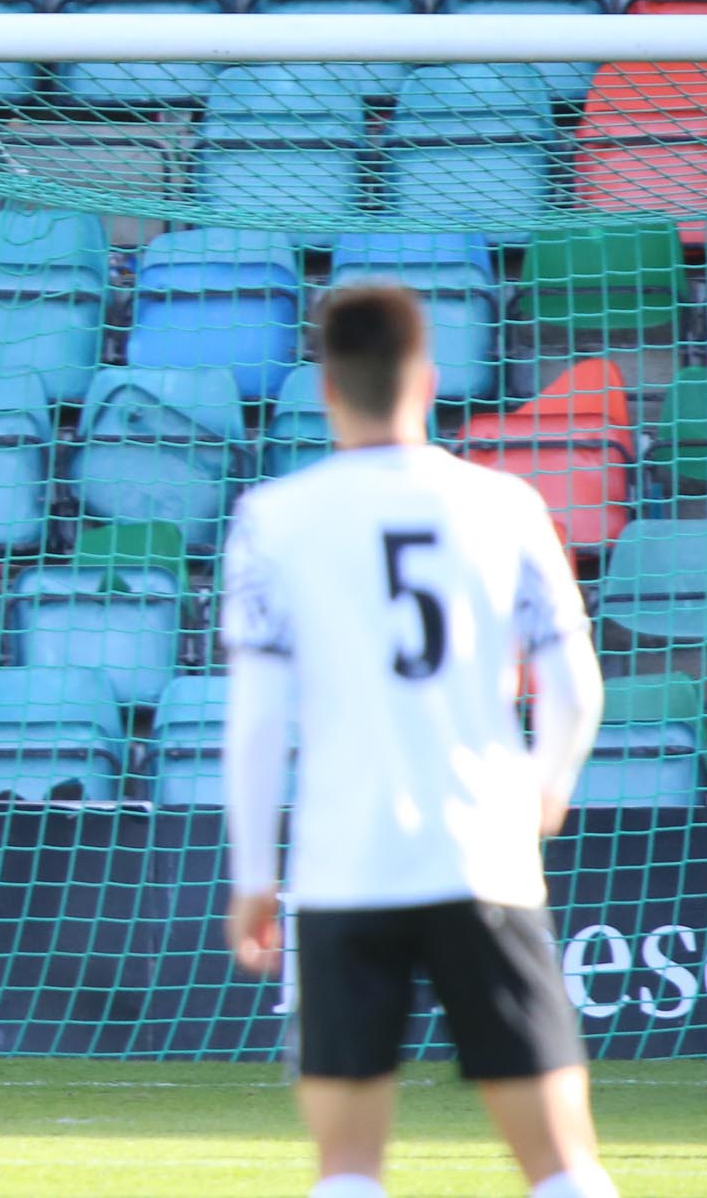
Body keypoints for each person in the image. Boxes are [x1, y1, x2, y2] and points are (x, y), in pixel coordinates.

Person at [221, 286, 614, 1198]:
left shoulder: (273, 516)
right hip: (482, 855)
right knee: (563, 1168)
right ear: (429, 381)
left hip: (345, 866)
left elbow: (255, 722)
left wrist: (252, 879)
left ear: (325, 390)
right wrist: (548, 781)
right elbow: (575, 680)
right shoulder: (504, 503)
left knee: (349, 1173)